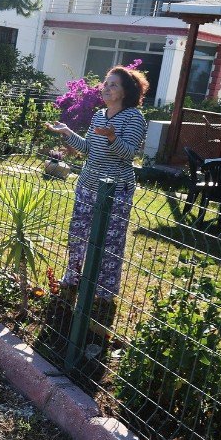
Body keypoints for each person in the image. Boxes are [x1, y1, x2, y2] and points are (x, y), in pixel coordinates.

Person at [46, 65, 148, 337]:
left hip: (115, 190)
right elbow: (89, 149)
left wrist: (113, 137)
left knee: (110, 242)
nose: (107, 88)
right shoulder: (99, 115)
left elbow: (127, 155)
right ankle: (74, 277)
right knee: (78, 234)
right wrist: (68, 132)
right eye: (106, 83)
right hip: (88, 185)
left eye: (113, 85)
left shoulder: (134, 118)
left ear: (127, 91)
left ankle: (104, 291)